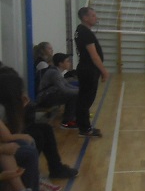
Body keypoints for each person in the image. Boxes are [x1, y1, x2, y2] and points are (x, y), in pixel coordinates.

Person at [74, 7, 110, 137]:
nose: (96, 18)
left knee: (84, 99)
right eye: (93, 15)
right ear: (85, 18)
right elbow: (94, 56)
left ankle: (83, 125)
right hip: (88, 70)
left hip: (86, 69)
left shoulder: (80, 30)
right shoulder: (85, 33)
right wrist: (104, 71)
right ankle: (84, 129)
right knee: (86, 100)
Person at [37, 53, 78, 127]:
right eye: (67, 61)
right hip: (44, 99)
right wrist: (79, 91)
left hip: (49, 96)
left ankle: (72, 117)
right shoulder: (54, 73)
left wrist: (80, 90)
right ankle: (67, 121)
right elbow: (64, 90)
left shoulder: (56, 71)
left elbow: (67, 85)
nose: (69, 63)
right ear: (60, 63)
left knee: (74, 94)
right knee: (73, 96)